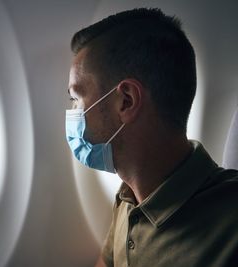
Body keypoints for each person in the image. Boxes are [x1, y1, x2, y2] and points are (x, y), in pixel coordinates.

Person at [65, 8, 238, 267]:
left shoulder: (230, 225)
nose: (72, 113)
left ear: (126, 101)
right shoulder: (128, 200)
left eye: (77, 99)